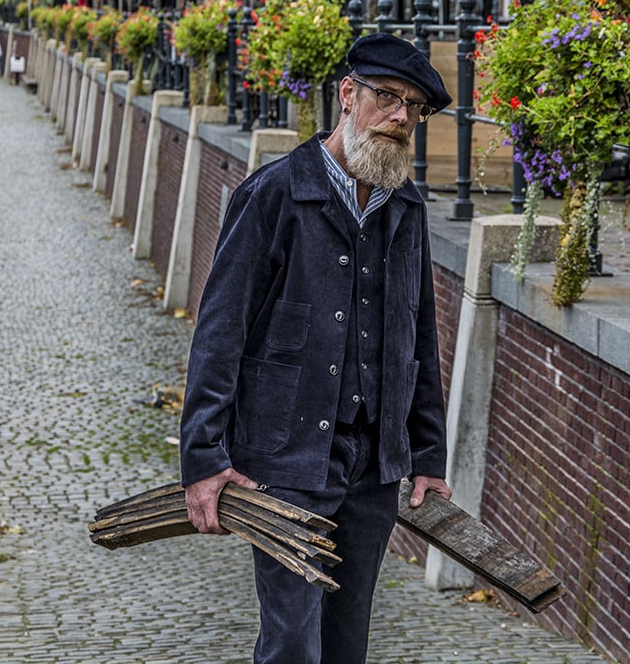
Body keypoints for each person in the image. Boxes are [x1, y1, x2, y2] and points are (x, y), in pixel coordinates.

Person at [178, 33, 453, 664]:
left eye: (415, 107)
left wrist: (428, 455)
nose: (401, 117)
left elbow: (420, 335)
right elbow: (220, 332)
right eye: (388, 98)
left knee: (344, 642)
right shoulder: (274, 194)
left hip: (373, 469)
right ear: (348, 96)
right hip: (284, 460)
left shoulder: (404, 207)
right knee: (293, 645)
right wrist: (203, 458)